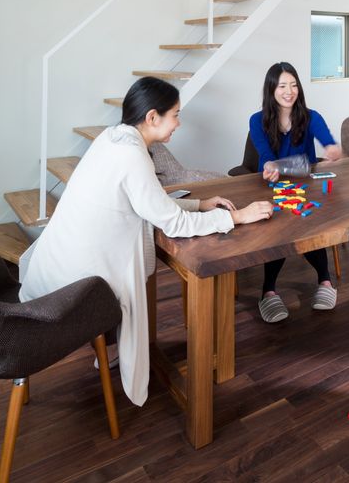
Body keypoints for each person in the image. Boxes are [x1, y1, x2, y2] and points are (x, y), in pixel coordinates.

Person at [19, 77, 272, 406]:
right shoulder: (132, 157)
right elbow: (172, 221)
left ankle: (112, 348)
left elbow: (146, 202)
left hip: (56, 263)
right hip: (73, 289)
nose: (178, 124)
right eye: (176, 115)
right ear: (153, 117)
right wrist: (236, 217)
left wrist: (200, 204)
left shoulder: (113, 139)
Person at [249, 62, 342, 323]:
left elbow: (328, 141)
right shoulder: (257, 120)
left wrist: (332, 149)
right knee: (276, 233)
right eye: (282, 86)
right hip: (272, 185)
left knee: (309, 228)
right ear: (271, 90)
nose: (289, 91)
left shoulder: (311, 117)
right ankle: (268, 292)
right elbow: (266, 155)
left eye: (293, 85)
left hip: (306, 186)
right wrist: (269, 165)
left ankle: (325, 282)